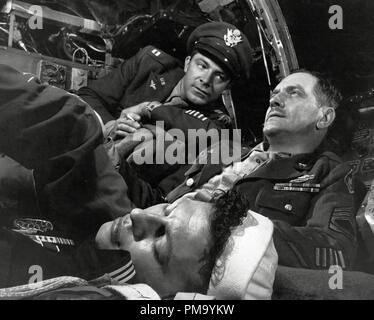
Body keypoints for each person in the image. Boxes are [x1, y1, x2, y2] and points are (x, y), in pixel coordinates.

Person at [0, 64, 276, 300]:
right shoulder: (107, 202)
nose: (138, 215)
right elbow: (72, 129)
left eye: (159, 241)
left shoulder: (214, 136)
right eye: (167, 210)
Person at [161, 70, 367, 270]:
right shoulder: (224, 152)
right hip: (155, 232)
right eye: (275, 94)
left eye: (294, 93)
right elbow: (162, 200)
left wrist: (223, 226)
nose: (273, 101)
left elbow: (336, 250)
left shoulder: (329, 172)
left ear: (324, 118)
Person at [77, 21, 253, 187]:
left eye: (220, 76)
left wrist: (149, 108)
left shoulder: (217, 122)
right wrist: (110, 125)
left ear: (226, 87)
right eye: (202, 66)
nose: (206, 80)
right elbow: (89, 95)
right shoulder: (149, 64)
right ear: (187, 63)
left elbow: (214, 138)